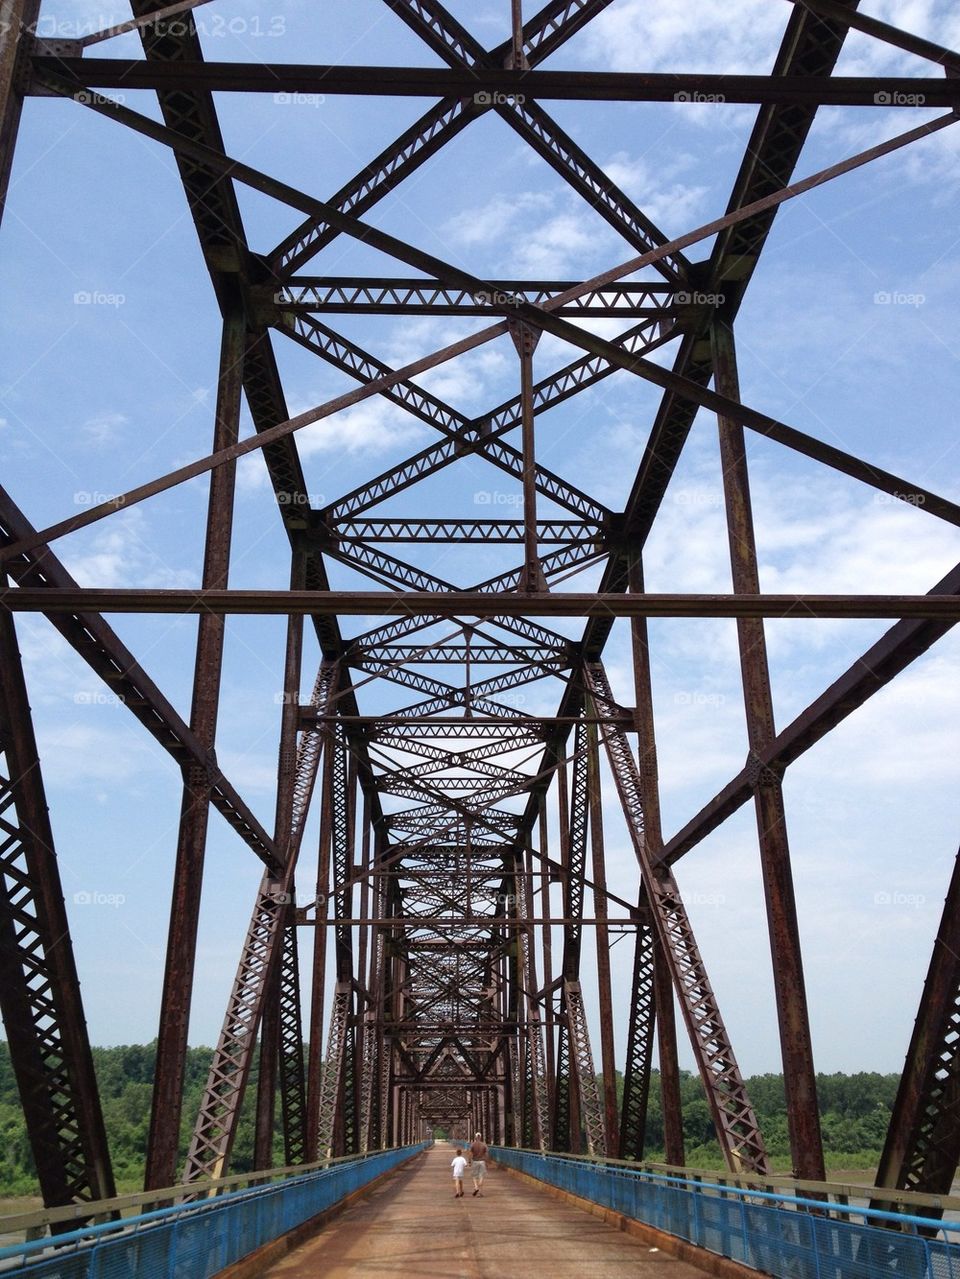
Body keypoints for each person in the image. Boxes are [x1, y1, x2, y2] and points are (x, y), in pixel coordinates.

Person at [468, 1132, 488, 1197]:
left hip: (475, 1161)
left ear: (475, 1137)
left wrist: (469, 1161)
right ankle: (480, 1192)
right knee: (481, 1177)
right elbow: (486, 1154)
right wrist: (486, 1162)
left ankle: (476, 1187)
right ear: (480, 1137)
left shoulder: (473, 1144)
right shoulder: (484, 1144)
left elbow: (470, 1153)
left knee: (474, 1176)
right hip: (482, 1162)